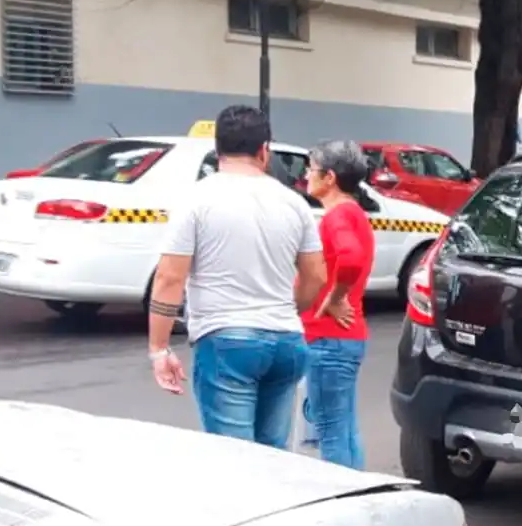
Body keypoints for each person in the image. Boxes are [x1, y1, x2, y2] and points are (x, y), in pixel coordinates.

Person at [147, 105, 345, 449]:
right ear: (264, 151)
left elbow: (169, 278)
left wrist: (159, 348)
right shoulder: (293, 203)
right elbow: (315, 275)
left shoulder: (196, 199)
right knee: (272, 458)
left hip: (227, 340)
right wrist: (290, 308)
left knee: (235, 461)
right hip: (287, 340)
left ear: (218, 149)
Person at [300, 141, 378, 469]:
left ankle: (342, 497)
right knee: (343, 426)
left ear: (329, 177)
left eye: (311, 168)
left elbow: (350, 258)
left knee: (331, 428)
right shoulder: (353, 213)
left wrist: (333, 298)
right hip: (345, 337)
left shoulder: (338, 216)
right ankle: (357, 493)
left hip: (329, 337)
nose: (305, 175)